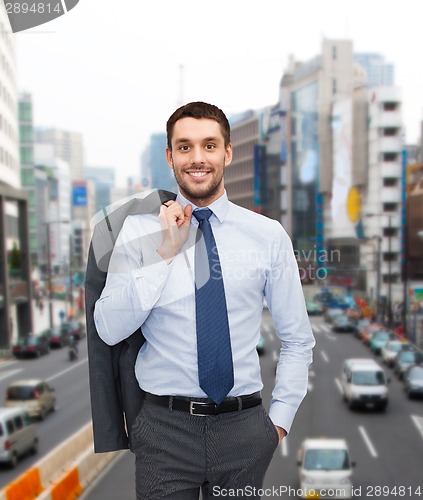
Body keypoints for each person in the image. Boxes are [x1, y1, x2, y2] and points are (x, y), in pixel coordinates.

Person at [94, 101, 315, 499]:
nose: (197, 158)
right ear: (170, 156)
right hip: (164, 430)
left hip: (244, 430)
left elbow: (298, 339)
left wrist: (277, 424)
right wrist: (164, 254)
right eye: (185, 147)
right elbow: (108, 328)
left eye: (209, 146)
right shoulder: (137, 232)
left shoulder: (267, 236)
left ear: (227, 153)